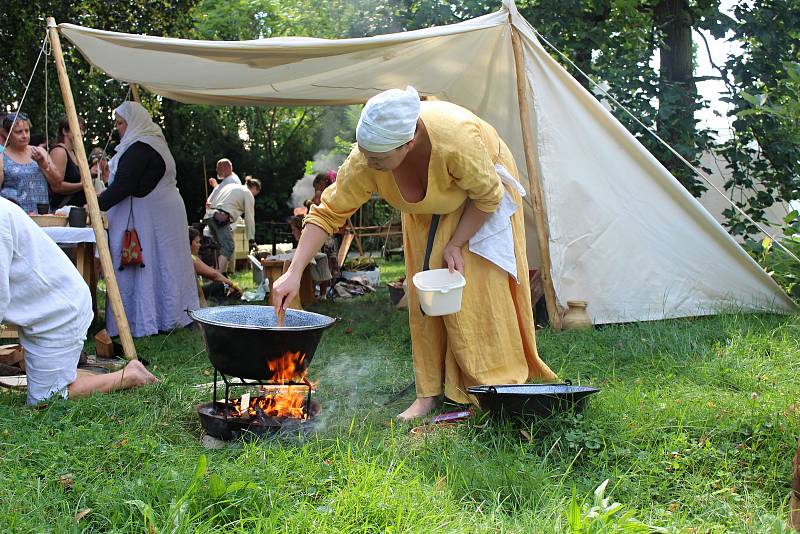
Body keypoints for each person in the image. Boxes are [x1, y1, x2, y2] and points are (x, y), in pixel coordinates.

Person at [272, 87, 557, 420]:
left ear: (408, 144)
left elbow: (488, 197)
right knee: (426, 286)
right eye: (365, 154)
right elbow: (327, 213)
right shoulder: (367, 160)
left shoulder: (456, 142)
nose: (369, 164)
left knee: (476, 289)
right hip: (430, 203)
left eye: (377, 159)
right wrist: (293, 272)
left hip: (480, 193)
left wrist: (455, 243)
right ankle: (430, 392)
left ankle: (492, 387)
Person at [0, 197, 158, 405]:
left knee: (46, 399)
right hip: (43, 309)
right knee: (53, 383)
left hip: (59, 313)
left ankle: (130, 375)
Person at [96, 101, 198, 338]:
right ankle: (169, 315)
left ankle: (147, 320)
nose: (118, 128)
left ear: (133, 123)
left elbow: (124, 186)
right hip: (162, 215)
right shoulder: (154, 142)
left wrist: (94, 205)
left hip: (151, 218)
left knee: (153, 267)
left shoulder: (141, 147)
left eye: (121, 123)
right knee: (165, 266)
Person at [204, 177, 261, 273]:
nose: (255, 195)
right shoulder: (248, 193)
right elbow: (249, 218)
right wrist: (251, 239)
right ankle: (219, 276)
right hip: (220, 218)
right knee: (228, 246)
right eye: (256, 193)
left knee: (217, 246)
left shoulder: (231, 186)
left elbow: (213, 202)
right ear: (255, 188)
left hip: (210, 215)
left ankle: (215, 274)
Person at [0, 112, 52, 213]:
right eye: (19, 132)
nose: (24, 135)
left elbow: (57, 183)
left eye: (27, 131)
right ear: (6, 133)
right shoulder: (2, 157)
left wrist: (43, 164)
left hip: (41, 215)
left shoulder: (39, 152)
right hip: (15, 216)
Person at [44, 116, 88, 210]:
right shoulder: (59, 151)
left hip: (76, 210)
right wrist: (84, 185)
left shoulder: (75, 153)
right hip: (63, 211)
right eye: (78, 129)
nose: (82, 133)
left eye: (83, 130)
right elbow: (56, 186)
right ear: (65, 131)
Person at [188, 227, 241, 300]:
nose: (199, 245)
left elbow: (212, 272)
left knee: (223, 282)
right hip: (192, 294)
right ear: (189, 243)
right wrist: (233, 285)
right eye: (197, 242)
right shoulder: (190, 258)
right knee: (221, 285)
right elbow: (214, 275)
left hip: (191, 292)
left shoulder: (191, 257)